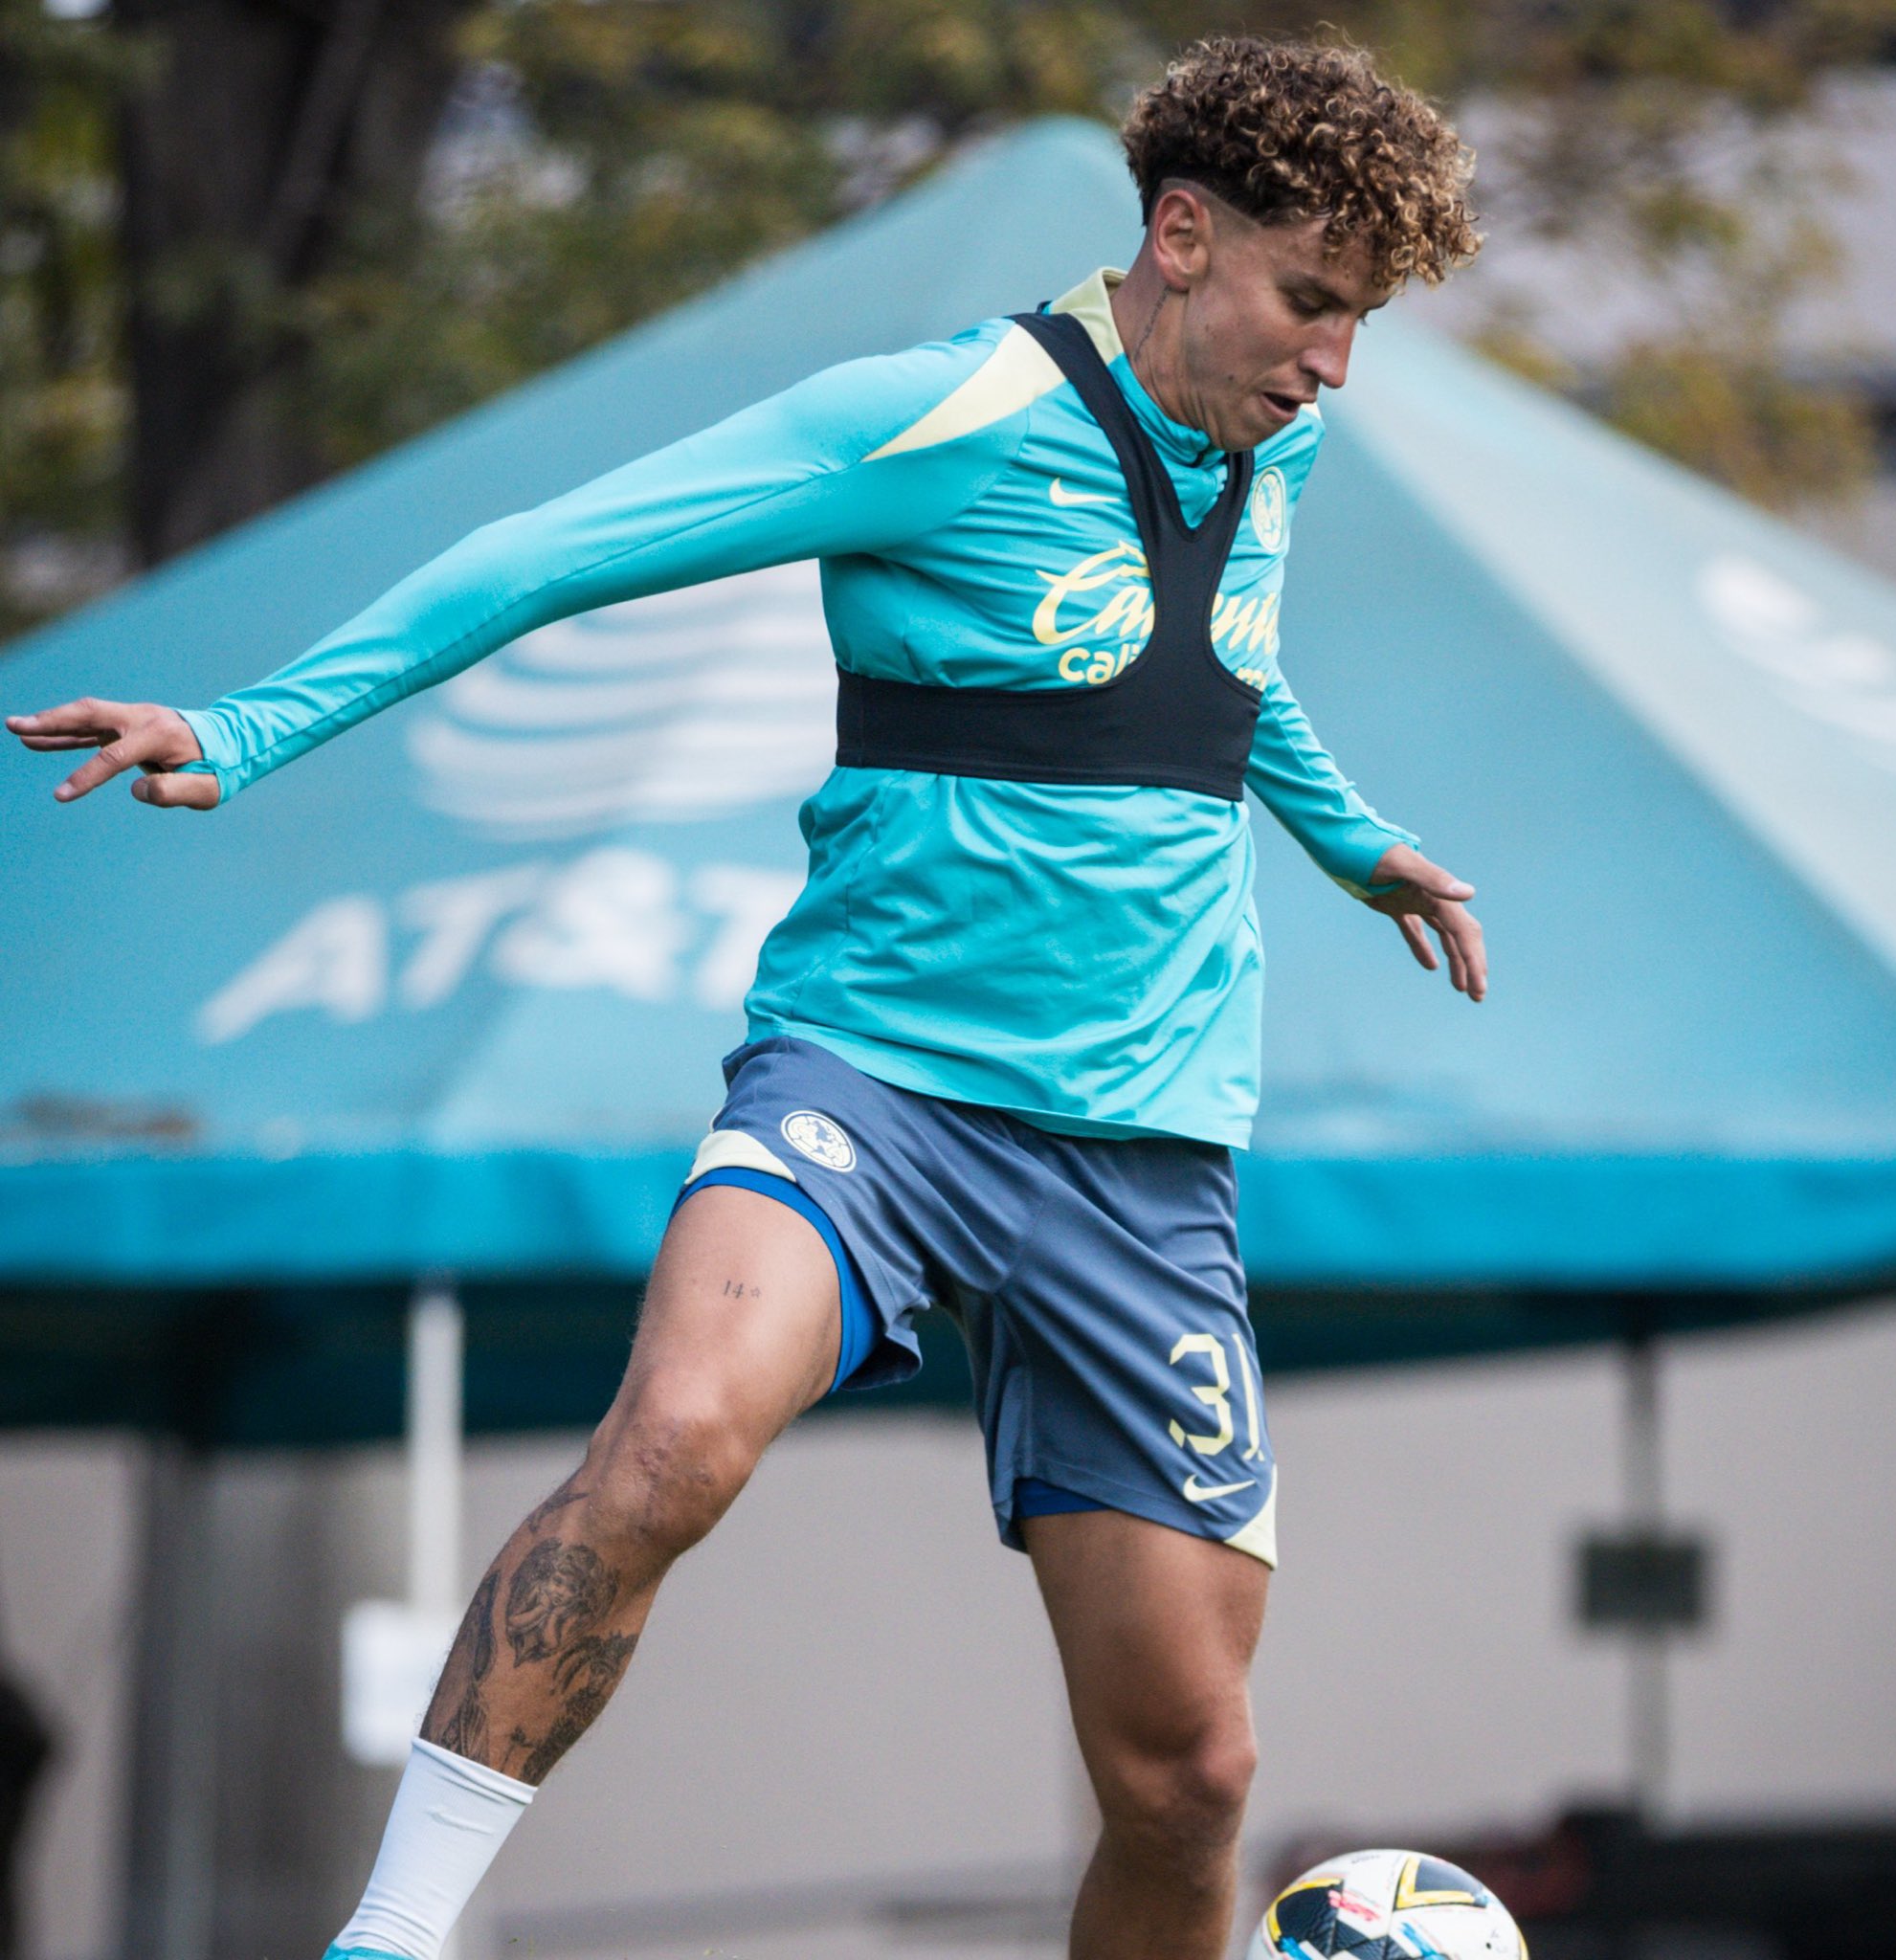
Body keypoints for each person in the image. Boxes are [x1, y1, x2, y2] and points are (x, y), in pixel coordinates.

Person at [8, 34, 1484, 1960]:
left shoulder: (1269, 435)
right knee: (674, 1442)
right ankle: (389, 1939)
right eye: (1312, 302)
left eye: (1361, 319)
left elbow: (1220, 655)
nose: (1334, 362)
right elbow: (552, 553)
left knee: (1188, 1775)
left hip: (1144, 1148)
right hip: (873, 1086)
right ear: (1184, 237)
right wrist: (250, 723)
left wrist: (1352, 837)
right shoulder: (941, 415)